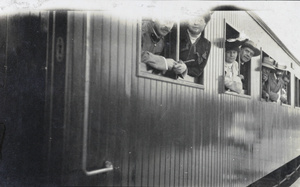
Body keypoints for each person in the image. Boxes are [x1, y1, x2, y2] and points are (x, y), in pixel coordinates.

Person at [164, 11, 212, 82]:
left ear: (205, 24)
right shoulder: (175, 33)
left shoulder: (206, 44)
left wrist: (186, 68)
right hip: (166, 77)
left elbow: (199, 69)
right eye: (193, 19)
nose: (196, 23)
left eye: (200, 20)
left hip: (188, 83)